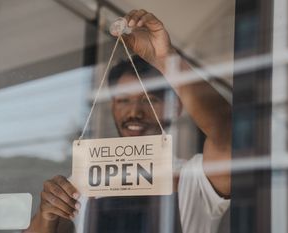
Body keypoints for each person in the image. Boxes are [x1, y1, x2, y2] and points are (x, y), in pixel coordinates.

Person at [25, 9, 231, 233]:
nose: (134, 112)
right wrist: (47, 214)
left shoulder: (194, 177)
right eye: (123, 100)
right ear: (112, 106)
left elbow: (228, 133)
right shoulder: (85, 178)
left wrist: (165, 59)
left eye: (149, 99)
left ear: (175, 107)